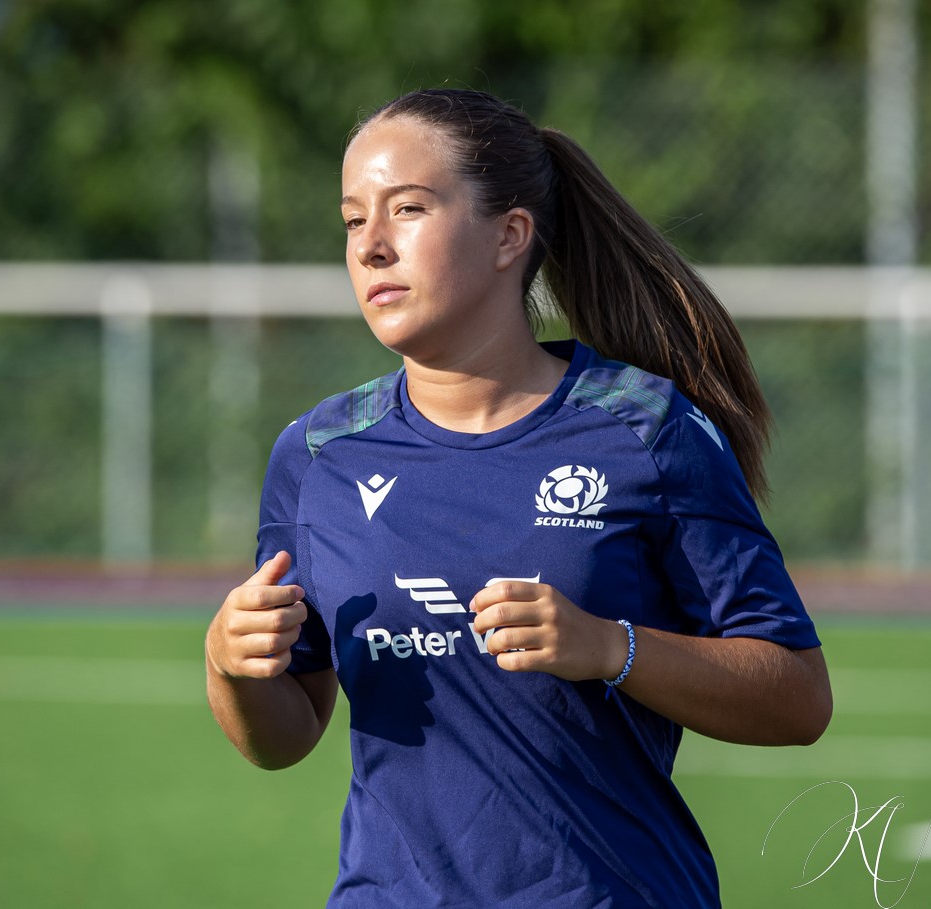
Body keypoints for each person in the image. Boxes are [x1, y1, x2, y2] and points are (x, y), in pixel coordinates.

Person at [204, 88, 832, 908]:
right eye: (354, 220)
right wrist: (229, 664)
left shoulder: (646, 430)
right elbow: (286, 735)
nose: (372, 247)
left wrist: (610, 646)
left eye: (409, 209)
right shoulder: (318, 454)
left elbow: (796, 696)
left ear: (509, 235)